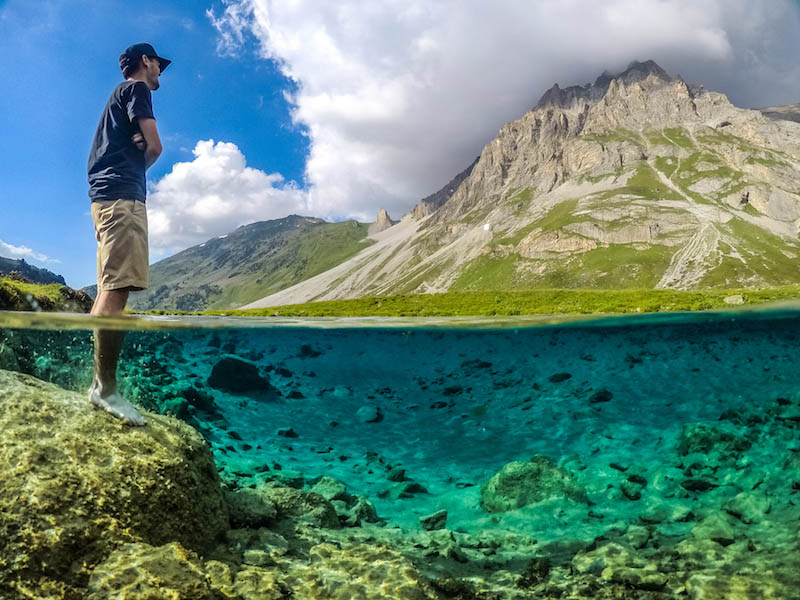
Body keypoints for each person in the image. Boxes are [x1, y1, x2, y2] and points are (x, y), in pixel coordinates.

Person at [87, 43, 170, 426]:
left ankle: (99, 383)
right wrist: (143, 157)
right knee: (118, 288)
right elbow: (155, 146)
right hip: (123, 198)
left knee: (108, 287)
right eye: (158, 65)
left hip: (105, 199)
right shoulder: (135, 90)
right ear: (145, 62)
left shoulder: (114, 99)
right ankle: (105, 389)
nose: (159, 73)